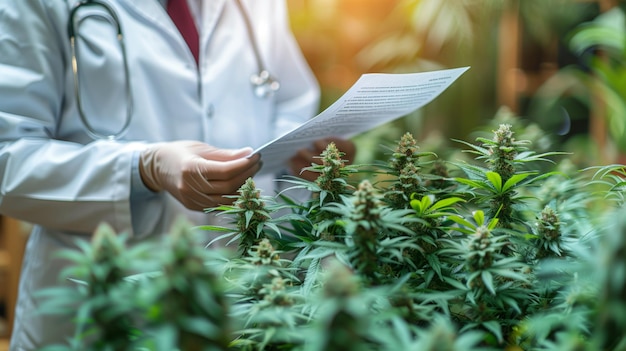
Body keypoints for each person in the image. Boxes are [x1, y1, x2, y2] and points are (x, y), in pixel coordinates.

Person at [0, 0, 355, 349]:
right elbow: (9, 159)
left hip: (244, 300)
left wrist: (305, 153)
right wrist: (143, 167)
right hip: (103, 307)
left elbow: (289, 102)